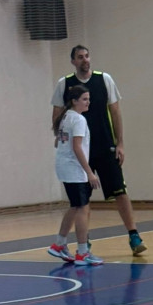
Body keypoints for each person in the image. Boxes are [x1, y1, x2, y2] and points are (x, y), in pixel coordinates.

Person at [51, 45, 146, 257]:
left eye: (87, 56)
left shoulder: (104, 79)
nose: (84, 60)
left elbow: (116, 112)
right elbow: (56, 115)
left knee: (119, 191)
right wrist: (59, 137)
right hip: (80, 151)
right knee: (81, 200)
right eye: (80, 57)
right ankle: (84, 242)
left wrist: (120, 143)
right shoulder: (64, 84)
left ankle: (134, 235)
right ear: (73, 61)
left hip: (105, 145)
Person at [48, 85, 103, 266]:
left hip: (64, 166)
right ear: (74, 101)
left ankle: (59, 244)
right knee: (82, 208)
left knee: (75, 206)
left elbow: (58, 142)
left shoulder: (65, 117)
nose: (88, 102)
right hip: (73, 168)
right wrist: (90, 173)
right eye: (85, 99)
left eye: (89, 99)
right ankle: (82, 252)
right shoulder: (78, 119)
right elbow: (77, 147)